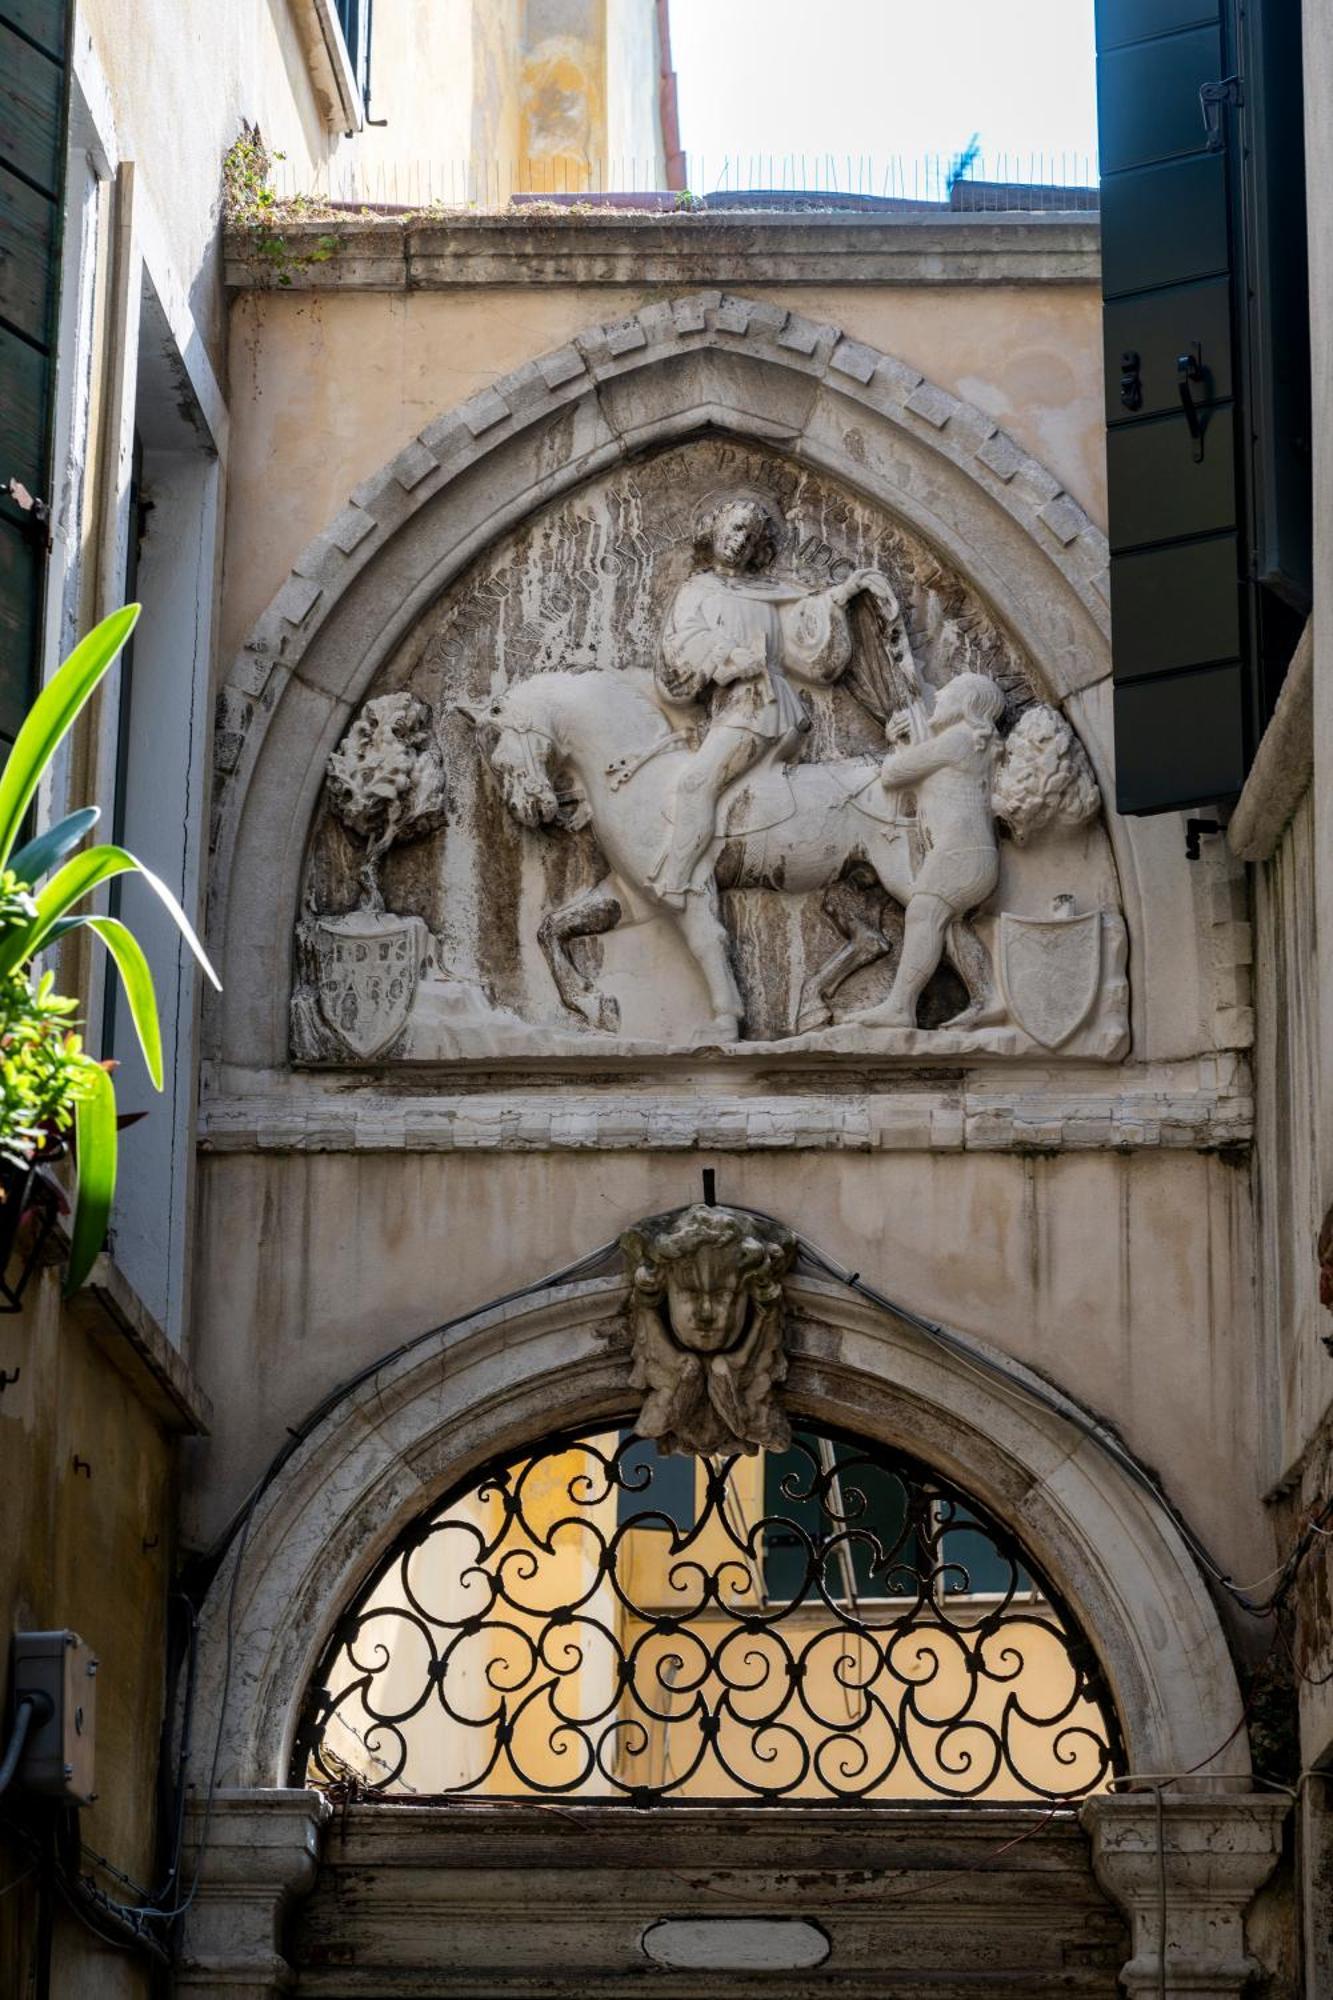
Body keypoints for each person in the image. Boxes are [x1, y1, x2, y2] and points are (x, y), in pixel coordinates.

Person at [653, 495, 893, 907]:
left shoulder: (769, 593)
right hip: (735, 706)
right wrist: (725, 656)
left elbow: (803, 635)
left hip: (759, 706)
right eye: (735, 528)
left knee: (695, 783)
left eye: (751, 534)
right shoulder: (697, 589)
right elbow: (683, 643)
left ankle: (676, 883)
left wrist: (839, 596)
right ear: (715, 529)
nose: (740, 540)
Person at [853, 672, 1006, 1030]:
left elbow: (894, 775)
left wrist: (896, 742)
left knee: (922, 915)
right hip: (973, 855)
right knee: (947, 921)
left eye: (948, 693)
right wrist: (910, 742)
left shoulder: (957, 740)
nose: (938, 695)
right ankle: (989, 998)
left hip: (959, 854)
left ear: (967, 705)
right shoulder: (971, 743)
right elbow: (924, 778)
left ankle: (900, 1006)